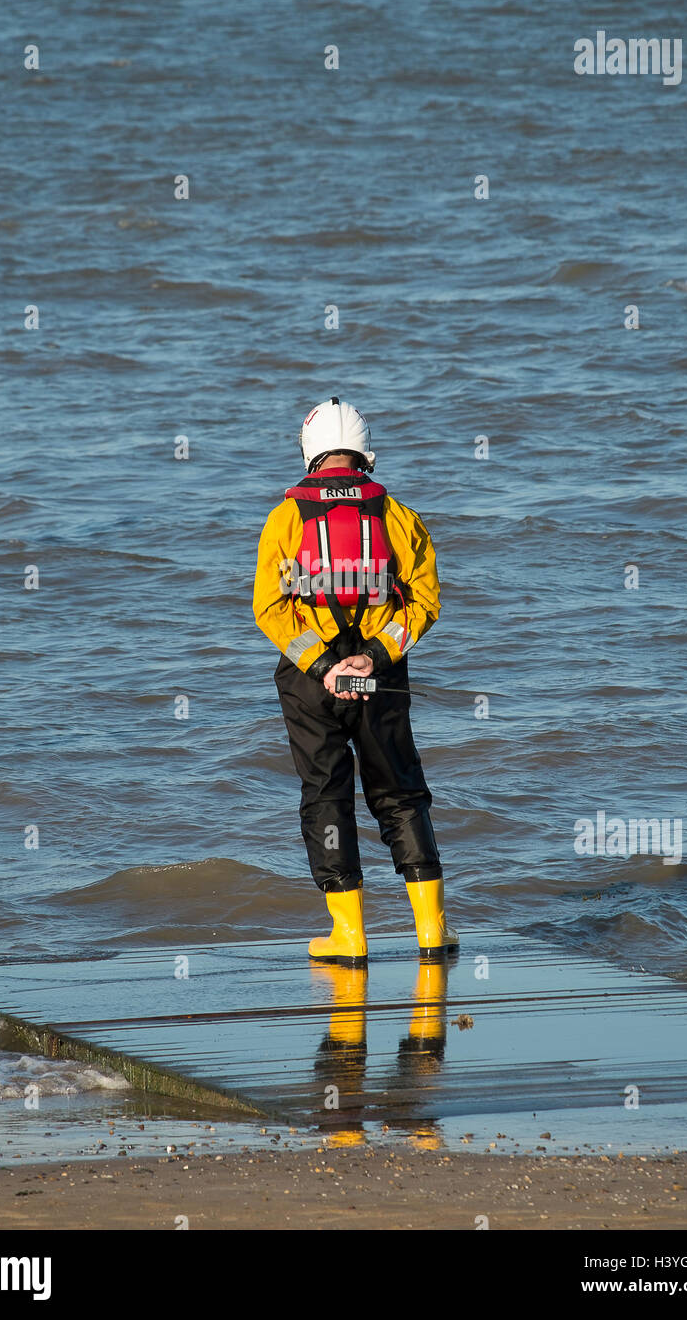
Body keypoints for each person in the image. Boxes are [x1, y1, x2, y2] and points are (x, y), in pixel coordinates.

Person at [253, 397, 458, 965]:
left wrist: (323, 667)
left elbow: (268, 609)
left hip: (310, 680)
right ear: (364, 455)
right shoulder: (398, 514)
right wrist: (370, 658)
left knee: (326, 796)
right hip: (381, 676)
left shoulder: (286, 517)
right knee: (399, 793)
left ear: (310, 454)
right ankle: (432, 931)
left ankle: (349, 937)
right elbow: (425, 603)